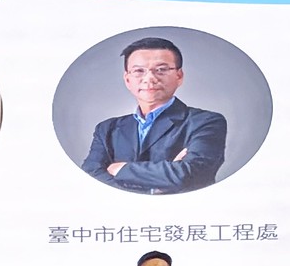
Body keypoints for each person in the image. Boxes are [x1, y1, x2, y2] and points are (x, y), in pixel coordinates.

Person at [81, 37, 227, 194]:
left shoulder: (206, 122)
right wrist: (157, 186)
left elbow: (190, 174)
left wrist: (121, 169)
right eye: (139, 71)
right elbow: (90, 176)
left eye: (161, 70)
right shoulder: (107, 129)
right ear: (127, 79)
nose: (150, 78)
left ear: (179, 76)